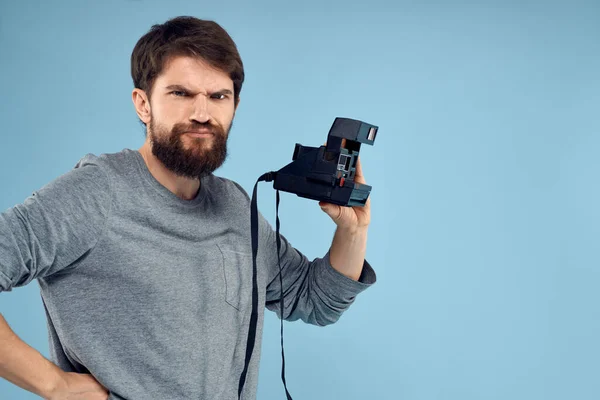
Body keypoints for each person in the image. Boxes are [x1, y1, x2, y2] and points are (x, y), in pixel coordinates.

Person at [0, 16, 376, 400]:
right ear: (143, 104)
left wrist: (353, 230)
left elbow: (317, 301)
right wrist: (55, 385)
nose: (202, 113)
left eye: (218, 96)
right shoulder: (97, 193)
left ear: (235, 106)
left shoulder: (233, 205)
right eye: (181, 94)